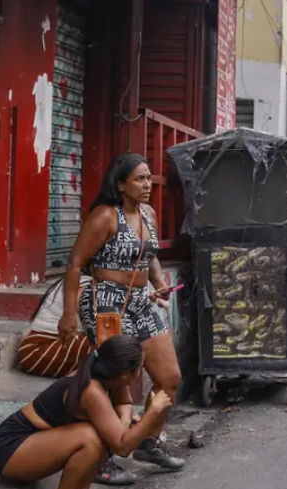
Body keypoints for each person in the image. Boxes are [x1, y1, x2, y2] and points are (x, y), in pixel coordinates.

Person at [58, 153, 185, 472]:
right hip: (106, 301)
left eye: (148, 178)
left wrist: (158, 282)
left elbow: (150, 254)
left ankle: (149, 442)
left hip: (142, 300)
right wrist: (68, 313)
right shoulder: (104, 216)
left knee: (170, 377)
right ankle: (99, 457)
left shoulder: (148, 214)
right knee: (112, 382)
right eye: (139, 179)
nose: (147, 184)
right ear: (120, 184)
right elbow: (75, 263)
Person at [0, 335, 172, 489]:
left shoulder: (111, 374)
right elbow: (123, 447)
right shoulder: (91, 390)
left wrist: (123, 422)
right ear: (128, 374)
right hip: (9, 450)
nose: (141, 372)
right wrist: (153, 411)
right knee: (90, 436)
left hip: (31, 446)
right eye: (140, 368)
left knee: (105, 432)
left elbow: (124, 406)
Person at [17, 277, 137, 487]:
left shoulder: (106, 286)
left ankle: (115, 428)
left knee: (120, 347)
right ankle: (104, 456)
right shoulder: (86, 285)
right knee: (111, 347)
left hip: (64, 349)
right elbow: (106, 340)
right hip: (39, 349)